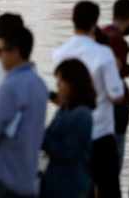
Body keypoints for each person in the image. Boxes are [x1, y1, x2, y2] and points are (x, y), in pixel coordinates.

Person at [52, 1, 126, 198]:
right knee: (109, 189)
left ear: (72, 20)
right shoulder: (103, 54)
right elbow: (116, 95)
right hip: (101, 132)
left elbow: (60, 96)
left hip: (72, 133)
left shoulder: (59, 53)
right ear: (95, 22)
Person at [0, 25, 48, 198]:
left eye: (1, 50)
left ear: (16, 51)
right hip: (27, 178)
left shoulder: (11, 85)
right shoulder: (40, 85)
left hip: (2, 176)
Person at [42, 59, 95, 198]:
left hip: (70, 186)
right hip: (54, 182)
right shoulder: (64, 110)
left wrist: (42, 139)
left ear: (73, 84)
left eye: (61, 81)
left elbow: (69, 151)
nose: (58, 86)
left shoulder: (82, 114)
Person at [98, 0, 129, 161]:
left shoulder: (101, 33)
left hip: (100, 107)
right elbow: (116, 71)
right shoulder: (118, 40)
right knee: (114, 160)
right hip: (115, 110)